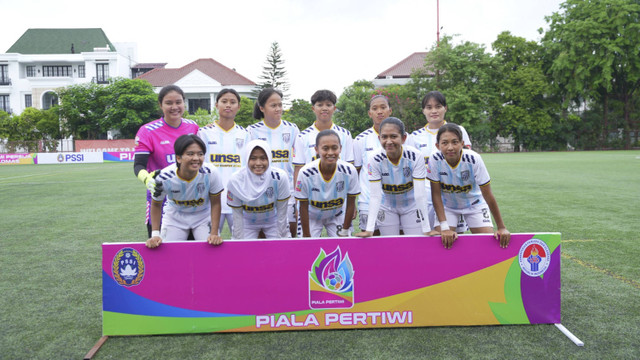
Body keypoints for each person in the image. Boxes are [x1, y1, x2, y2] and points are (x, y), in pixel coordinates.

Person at [427, 123, 510, 249]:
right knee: (442, 241)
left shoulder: (474, 158)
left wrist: (501, 227)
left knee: (488, 244)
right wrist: (444, 227)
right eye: (445, 143)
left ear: (462, 143)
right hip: (448, 206)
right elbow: (436, 194)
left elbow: (488, 195)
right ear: (438, 146)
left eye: (455, 142)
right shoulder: (434, 159)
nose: (450, 147)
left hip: (474, 204)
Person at [133, 85, 199, 237]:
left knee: (193, 254)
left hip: (191, 200)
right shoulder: (148, 131)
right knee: (161, 251)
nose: (174, 107)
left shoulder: (193, 127)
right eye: (169, 103)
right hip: (160, 200)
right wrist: (147, 179)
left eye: (178, 102)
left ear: (184, 103)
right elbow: (138, 165)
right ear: (160, 105)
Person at [355, 117, 431, 237]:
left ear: (404, 138)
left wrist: (426, 227)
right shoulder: (374, 158)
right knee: (390, 247)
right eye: (384, 137)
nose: (389, 141)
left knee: (414, 246)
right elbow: (375, 195)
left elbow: (420, 194)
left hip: (411, 206)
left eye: (394, 136)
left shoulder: (416, 156)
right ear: (379, 138)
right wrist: (369, 229)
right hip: (387, 206)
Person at [145, 135, 223, 248]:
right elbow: (156, 204)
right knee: (169, 253)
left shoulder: (211, 172)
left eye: (200, 154)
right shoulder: (164, 177)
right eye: (190, 154)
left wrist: (214, 232)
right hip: (175, 217)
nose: (196, 158)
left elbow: (216, 203)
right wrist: (155, 234)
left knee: (211, 248)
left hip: (202, 216)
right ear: (178, 158)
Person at [411, 91, 472, 232]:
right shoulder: (415, 136)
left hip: (452, 194)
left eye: (438, 106)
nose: (433, 111)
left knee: (455, 237)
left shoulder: (458, 130)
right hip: (425, 196)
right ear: (423, 111)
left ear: (445, 108)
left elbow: (466, 163)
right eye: (429, 107)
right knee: (427, 236)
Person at [247, 88, 300, 237]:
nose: (278, 109)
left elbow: (298, 163)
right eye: (273, 105)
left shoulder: (292, 129)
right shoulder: (252, 131)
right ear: (262, 108)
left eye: (280, 105)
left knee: (289, 235)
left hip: (287, 191)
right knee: (263, 237)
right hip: (261, 192)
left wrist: (297, 194)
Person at [198, 89, 251, 236]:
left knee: (242, 245)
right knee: (209, 244)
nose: (228, 105)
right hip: (211, 202)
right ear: (216, 105)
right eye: (224, 101)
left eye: (233, 102)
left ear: (238, 107)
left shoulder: (245, 134)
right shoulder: (204, 133)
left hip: (238, 200)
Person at [295, 130, 360, 237]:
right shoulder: (305, 173)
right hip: (312, 216)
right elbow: (303, 206)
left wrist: (345, 230)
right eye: (325, 148)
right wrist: (307, 235)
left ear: (340, 148)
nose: (330, 152)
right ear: (316, 149)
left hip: (337, 214)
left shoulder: (349, 170)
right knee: (308, 249)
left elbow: (351, 203)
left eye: (334, 148)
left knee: (342, 248)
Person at [226, 140, 291, 239]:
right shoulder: (235, 180)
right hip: (247, 221)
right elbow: (237, 215)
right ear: (247, 159)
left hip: (273, 220)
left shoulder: (280, 177)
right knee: (242, 251)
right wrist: (239, 240)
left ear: (269, 158)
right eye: (253, 158)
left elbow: (282, 212)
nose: (258, 163)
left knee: (281, 249)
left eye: (263, 158)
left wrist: (282, 236)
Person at [293, 89, 354, 184]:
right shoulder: (302, 136)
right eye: (320, 105)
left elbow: (350, 167)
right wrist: (298, 196)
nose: (324, 108)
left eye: (328, 105)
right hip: (311, 191)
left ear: (334, 108)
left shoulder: (345, 134)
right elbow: (298, 168)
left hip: (338, 191)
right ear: (313, 108)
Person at [353, 95, 392, 234]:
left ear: (390, 110)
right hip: (368, 201)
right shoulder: (360, 139)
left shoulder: (404, 137)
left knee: (396, 243)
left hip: (395, 202)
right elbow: (356, 172)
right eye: (375, 109)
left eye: (383, 107)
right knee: (370, 244)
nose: (379, 111)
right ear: (370, 113)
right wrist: (352, 204)